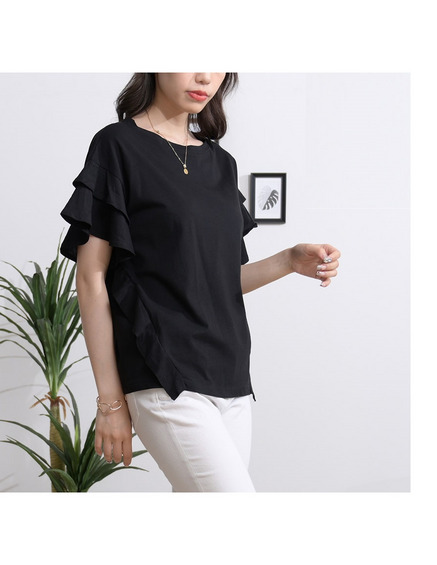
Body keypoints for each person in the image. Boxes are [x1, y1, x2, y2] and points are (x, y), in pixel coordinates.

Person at [60, 73, 340, 492]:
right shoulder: (117, 145)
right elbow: (90, 277)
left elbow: (218, 281)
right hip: (165, 375)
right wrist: (110, 401)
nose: (206, 76)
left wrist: (288, 260)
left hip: (231, 375)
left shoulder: (221, 163)